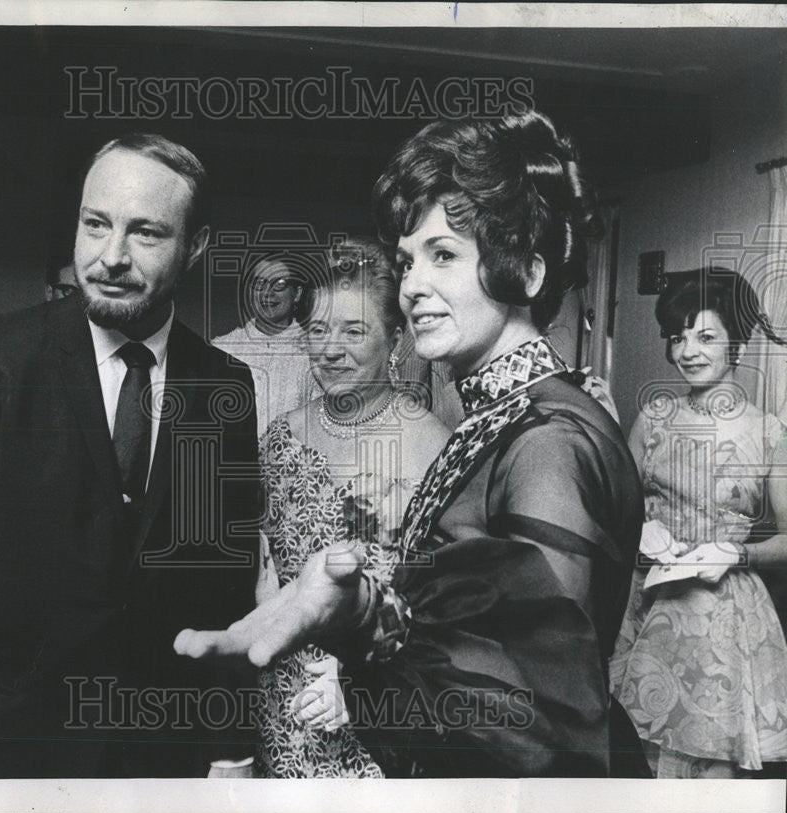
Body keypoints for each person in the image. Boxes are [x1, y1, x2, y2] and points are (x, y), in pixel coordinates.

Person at [176, 111, 647, 778]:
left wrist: (365, 628)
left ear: (529, 273)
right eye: (406, 261)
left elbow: (532, 721)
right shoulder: (505, 416)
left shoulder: (548, 439)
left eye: (445, 254)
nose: (414, 285)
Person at [0, 134, 261, 778]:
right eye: (95, 224)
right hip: (5, 758)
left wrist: (227, 749)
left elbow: (220, 589)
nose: (111, 257)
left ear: (196, 248)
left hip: (156, 764)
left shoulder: (224, 386)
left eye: (147, 234)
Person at [254, 238, 449, 777]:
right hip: (276, 704)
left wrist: (361, 681)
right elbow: (263, 573)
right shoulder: (280, 438)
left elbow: (451, 607)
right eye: (317, 330)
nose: (330, 348)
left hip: (373, 710)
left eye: (354, 331)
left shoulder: (434, 447)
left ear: (396, 338)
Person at [609, 269, 787, 778]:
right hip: (645, 604)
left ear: (737, 344)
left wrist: (738, 553)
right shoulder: (654, 416)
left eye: (705, 336)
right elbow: (615, 508)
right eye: (677, 337)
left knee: (707, 767)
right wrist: (636, 528)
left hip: (722, 620)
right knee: (631, 755)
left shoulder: (768, 432)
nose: (687, 350)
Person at [211, 254, 318, 437]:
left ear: (297, 294)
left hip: (294, 463)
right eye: (260, 284)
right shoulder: (221, 348)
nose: (268, 293)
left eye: (279, 284)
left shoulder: (315, 353)